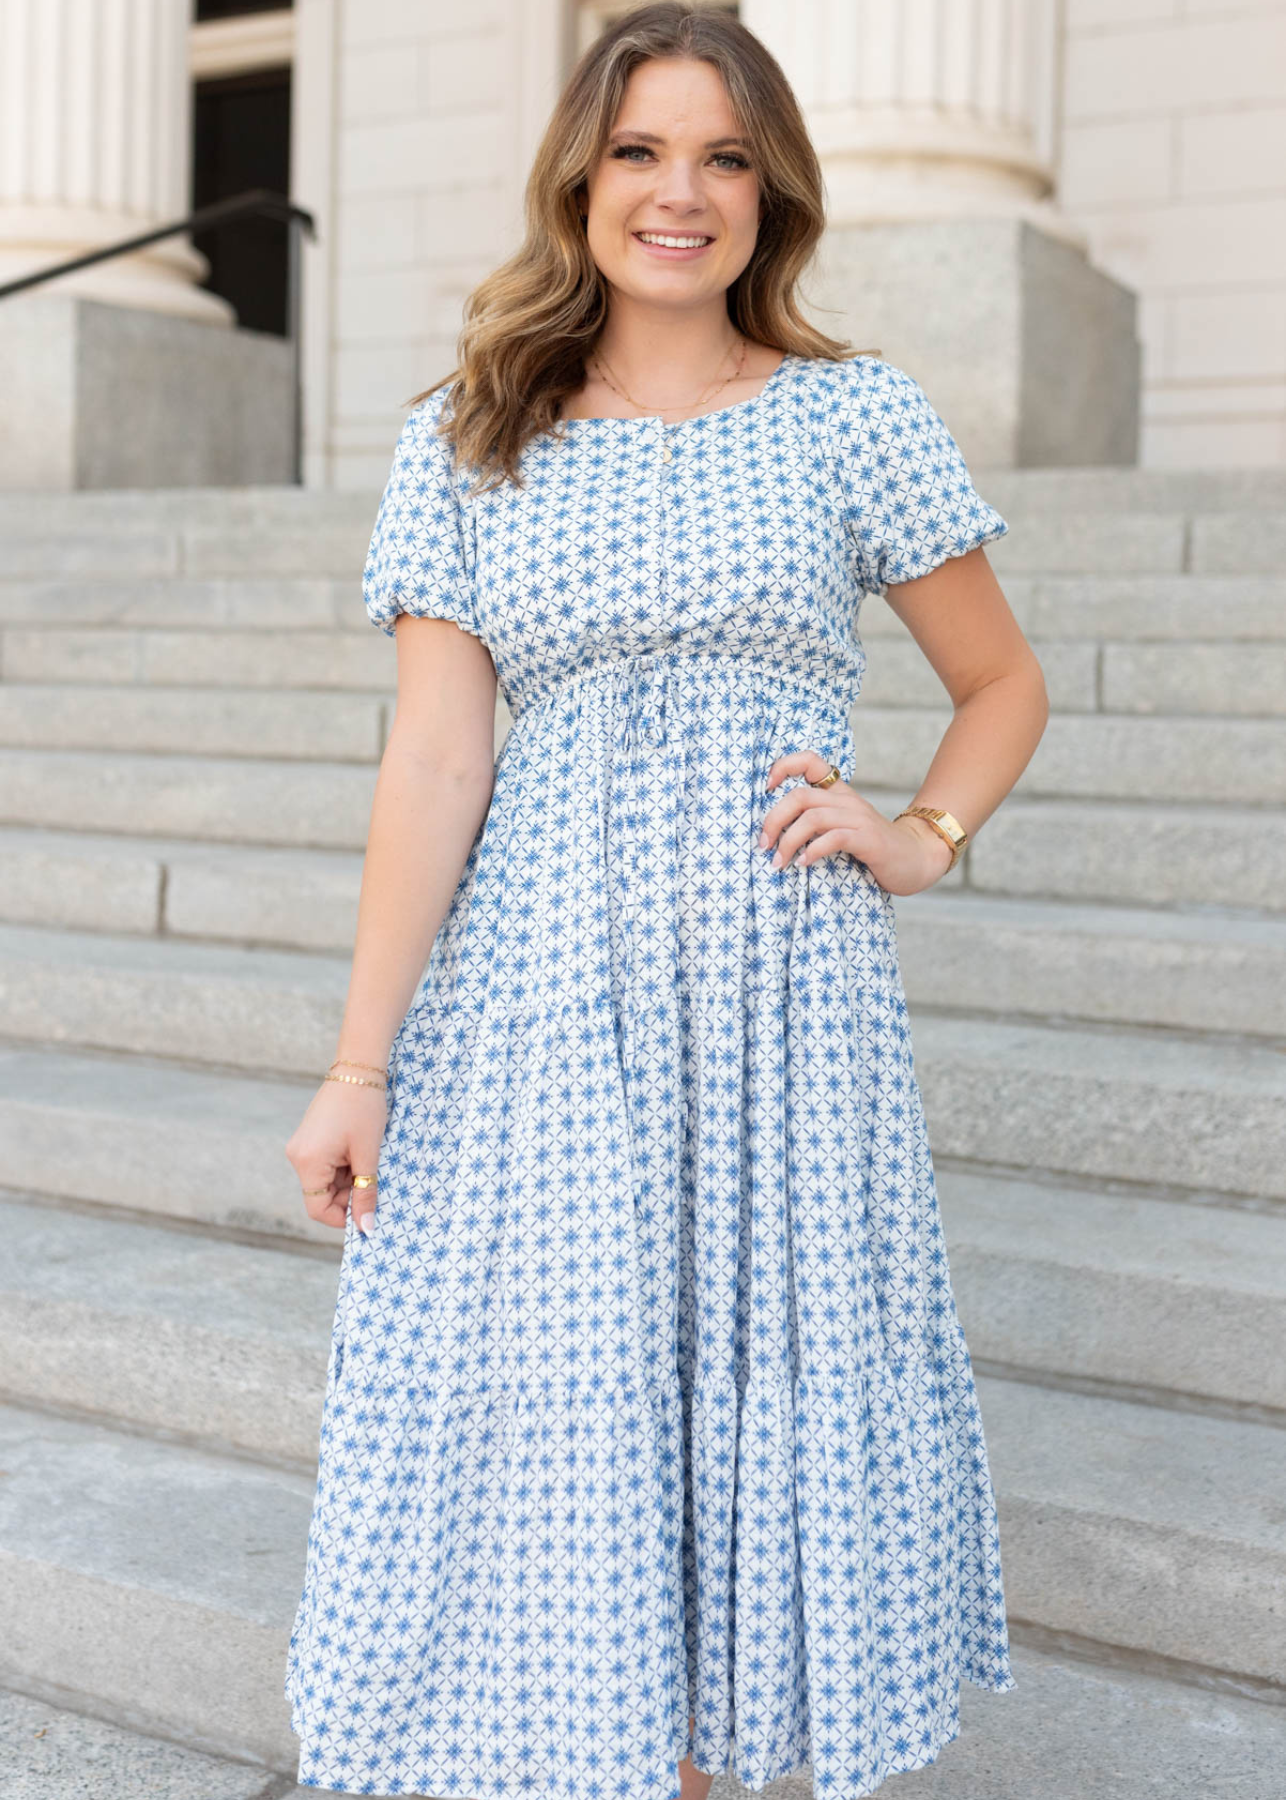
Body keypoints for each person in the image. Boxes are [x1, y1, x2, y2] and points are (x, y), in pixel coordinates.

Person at [283, 5, 1047, 1798]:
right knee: (561, 1432)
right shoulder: (469, 436)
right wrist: (357, 1063)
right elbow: (433, 767)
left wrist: (921, 834)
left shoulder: (853, 418)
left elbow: (1000, 686)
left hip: (780, 1002)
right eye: (638, 151)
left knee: (749, 1408)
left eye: (720, 156)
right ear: (580, 175)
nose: (677, 193)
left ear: (769, 191)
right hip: (539, 994)